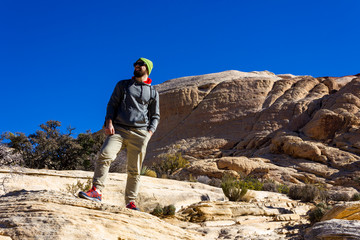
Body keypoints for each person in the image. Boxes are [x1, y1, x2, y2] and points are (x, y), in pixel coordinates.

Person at [78, 57, 160, 210]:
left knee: (134, 170)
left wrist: (149, 134)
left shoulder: (153, 92)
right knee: (105, 155)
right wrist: (108, 122)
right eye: (135, 64)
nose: (136, 66)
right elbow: (112, 104)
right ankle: (97, 191)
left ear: (147, 68)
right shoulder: (123, 85)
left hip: (140, 134)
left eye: (140, 65)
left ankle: (130, 202)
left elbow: (155, 116)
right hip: (119, 130)